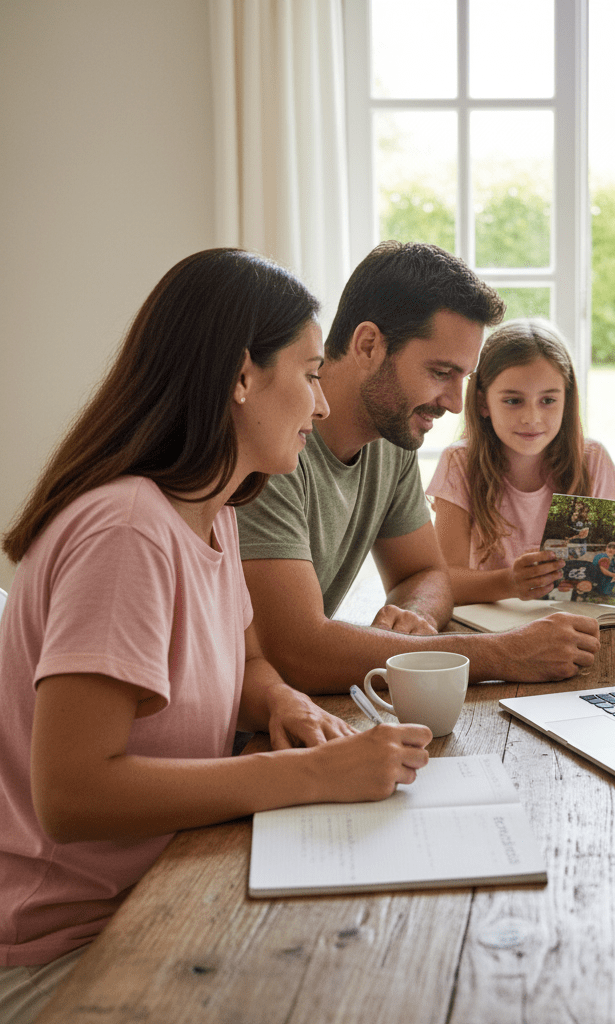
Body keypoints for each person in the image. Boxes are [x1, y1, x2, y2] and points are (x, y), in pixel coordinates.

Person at [0, 249, 432, 1022]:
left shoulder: (214, 510)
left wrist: (283, 703)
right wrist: (313, 775)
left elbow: (249, 659)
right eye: (307, 376)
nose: (323, 406)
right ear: (241, 378)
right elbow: (71, 793)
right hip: (65, 951)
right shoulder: (127, 530)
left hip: (160, 886)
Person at [235, 244, 601, 692]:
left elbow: (425, 574)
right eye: (440, 372)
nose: (453, 402)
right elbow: (297, 653)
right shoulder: (272, 445)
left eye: (462, 379)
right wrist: (504, 652)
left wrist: (416, 618)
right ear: (368, 344)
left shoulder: (392, 438)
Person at [427, 318, 615, 604]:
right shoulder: (459, 463)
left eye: (548, 401)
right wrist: (510, 583)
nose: (531, 417)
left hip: (573, 628)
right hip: (489, 635)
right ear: (484, 403)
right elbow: (444, 580)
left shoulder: (592, 460)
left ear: (566, 400)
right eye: (513, 401)